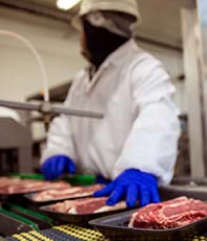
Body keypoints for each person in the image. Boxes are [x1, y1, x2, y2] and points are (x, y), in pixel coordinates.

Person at [40, 0, 181, 208]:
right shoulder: (82, 79)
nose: (81, 38)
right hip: (88, 190)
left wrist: (140, 166)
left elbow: (158, 113)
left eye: (83, 30)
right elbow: (67, 120)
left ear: (94, 25)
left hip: (128, 191)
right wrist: (58, 151)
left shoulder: (144, 67)